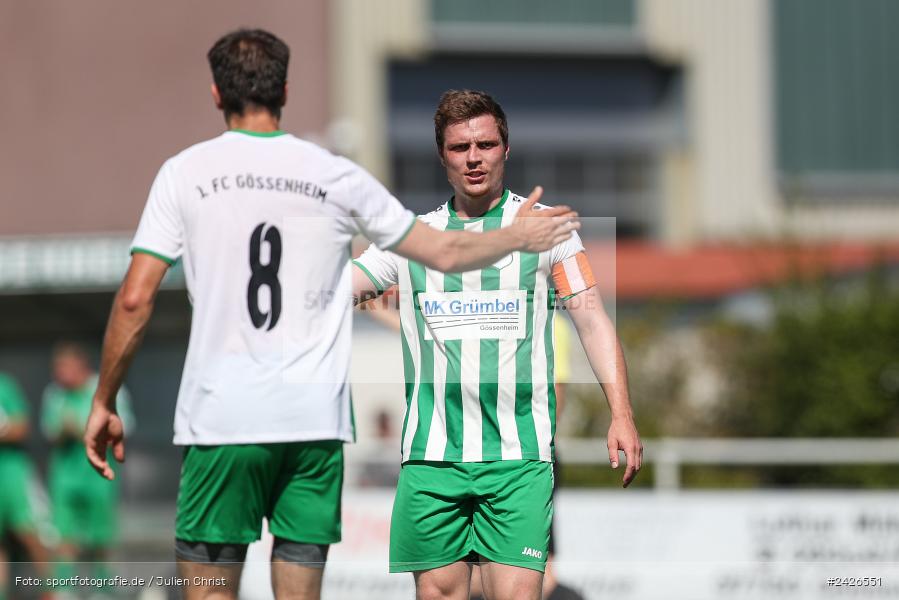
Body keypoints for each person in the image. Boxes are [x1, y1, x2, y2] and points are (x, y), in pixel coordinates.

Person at [82, 29, 579, 600]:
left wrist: (104, 401)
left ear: (217, 94)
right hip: (312, 422)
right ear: (286, 90)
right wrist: (515, 237)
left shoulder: (185, 172)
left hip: (223, 417)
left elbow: (135, 298)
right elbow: (441, 249)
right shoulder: (332, 173)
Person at [352, 89, 641, 600]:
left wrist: (622, 412)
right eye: (460, 147)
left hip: (519, 459)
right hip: (431, 460)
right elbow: (341, 292)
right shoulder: (412, 236)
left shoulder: (549, 231)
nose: (474, 157)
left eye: (485, 144)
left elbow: (593, 319)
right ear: (442, 156)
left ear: (505, 149)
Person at [42, 343, 134, 592]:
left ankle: (102, 590)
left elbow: (123, 427)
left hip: (99, 476)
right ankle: (63, 589)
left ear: (81, 366)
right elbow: (48, 429)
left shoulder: (107, 390)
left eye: (65, 367)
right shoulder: (55, 394)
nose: (60, 374)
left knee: (101, 536)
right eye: (57, 368)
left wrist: (86, 429)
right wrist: (63, 431)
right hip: (65, 477)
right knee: (63, 534)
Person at [0, 372, 53, 599]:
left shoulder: (4, 386)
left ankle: (52, 591)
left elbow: (22, 426)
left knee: (29, 533)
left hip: (12, 473)